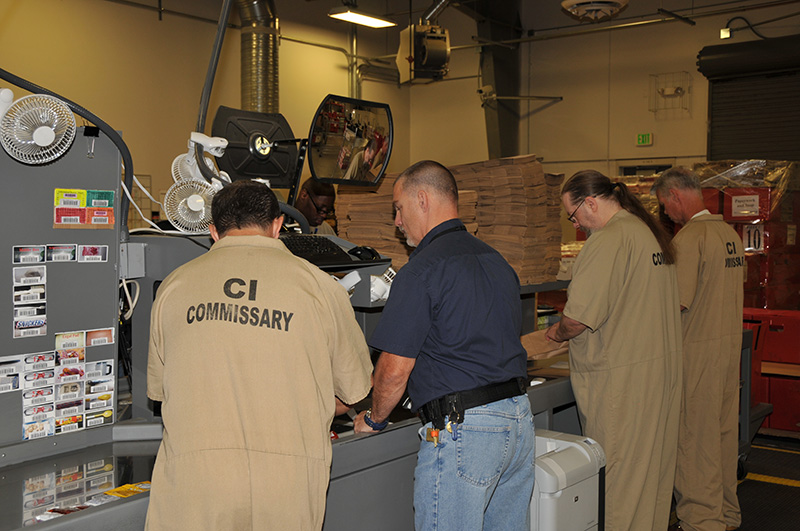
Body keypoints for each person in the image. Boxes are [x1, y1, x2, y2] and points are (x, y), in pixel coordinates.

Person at [146, 180, 372, 530]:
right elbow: (353, 392)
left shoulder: (173, 288)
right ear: (278, 226)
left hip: (196, 486)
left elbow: (162, 392)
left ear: (213, 232)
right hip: (285, 487)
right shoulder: (321, 289)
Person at [354, 160, 535, 530]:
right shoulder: (497, 261)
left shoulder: (421, 271)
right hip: (519, 423)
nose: (397, 222)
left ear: (422, 200)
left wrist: (373, 417)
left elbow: (393, 371)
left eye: (398, 209)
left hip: (465, 430)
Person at [544, 170, 682, 530]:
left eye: (573, 216)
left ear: (590, 203)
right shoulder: (647, 232)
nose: (576, 224)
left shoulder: (609, 240)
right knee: (651, 480)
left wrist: (554, 335)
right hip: (659, 380)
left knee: (620, 487)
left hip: (625, 386)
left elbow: (577, 319)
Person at [654, 167, 744, 531]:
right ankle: (726, 512)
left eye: (664, 204)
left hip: (697, 355)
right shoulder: (729, 235)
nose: (665, 212)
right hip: (727, 352)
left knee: (693, 442)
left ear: (675, 196)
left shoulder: (689, 240)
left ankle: (701, 522)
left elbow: (675, 302)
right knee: (722, 438)